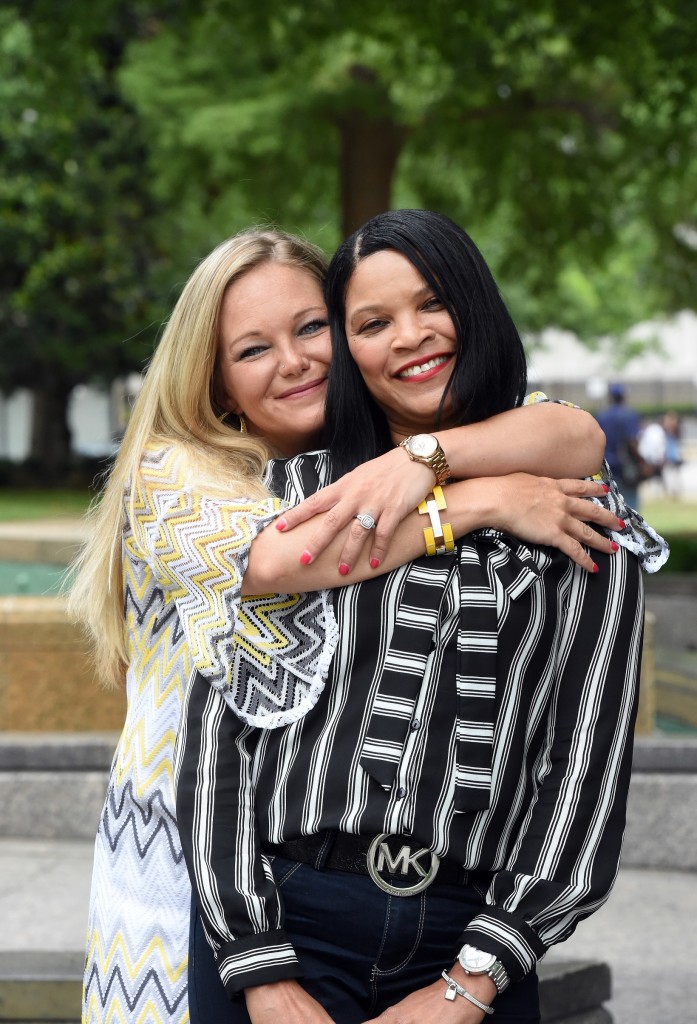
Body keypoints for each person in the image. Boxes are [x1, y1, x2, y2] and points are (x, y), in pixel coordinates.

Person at [71, 226, 623, 1024]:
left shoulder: (377, 456)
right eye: (252, 349)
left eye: (311, 327)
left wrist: (420, 459)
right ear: (216, 380)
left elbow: (575, 433)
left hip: (395, 887)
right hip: (187, 843)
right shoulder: (178, 472)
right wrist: (485, 501)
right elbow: (290, 560)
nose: (294, 360)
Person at [596, 382, 644, 509]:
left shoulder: (602, 415)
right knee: (631, 506)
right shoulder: (629, 415)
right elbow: (632, 441)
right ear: (624, 396)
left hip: (606, 466)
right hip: (627, 467)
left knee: (611, 506)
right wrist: (641, 461)